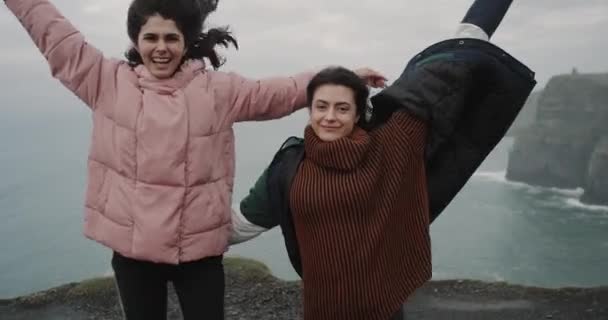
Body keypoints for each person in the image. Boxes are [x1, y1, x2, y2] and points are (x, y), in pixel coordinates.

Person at [3, 0, 385, 319]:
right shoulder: (106, 82)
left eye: (172, 37)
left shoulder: (218, 91)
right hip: (133, 255)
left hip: (199, 254)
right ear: (136, 40)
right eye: (150, 37)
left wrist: (344, 77)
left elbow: (280, 92)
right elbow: (55, 34)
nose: (161, 47)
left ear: (187, 42)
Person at [230, 0, 537, 319]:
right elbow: (239, 226)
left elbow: (448, 69)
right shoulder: (289, 167)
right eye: (321, 107)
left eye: (342, 108)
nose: (330, 117)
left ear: (359, 112)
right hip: (322, 311)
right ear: (310, 109)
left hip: (384, 309)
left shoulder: (393, 143)